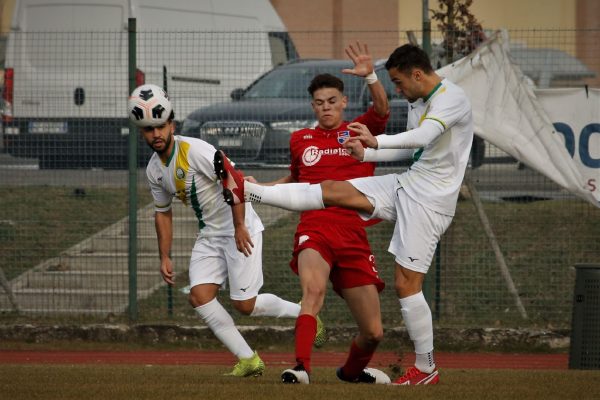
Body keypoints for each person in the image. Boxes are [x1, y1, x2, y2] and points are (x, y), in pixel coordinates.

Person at [215, 43, 474, 385]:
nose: (397, 90)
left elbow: (423, 135)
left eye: (398, 82)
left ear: (416, 74)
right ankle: (248, 190)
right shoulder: (416, 101)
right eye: (319, 102)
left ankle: (426, 369)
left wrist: (375, 141)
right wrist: (367, 154)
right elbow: (415, 150)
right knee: (334, 189)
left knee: (405, 286)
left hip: (429, 200)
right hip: (404, 185)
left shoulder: (451, 99)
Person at [127, 83, 326, 378]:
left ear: (171, 123)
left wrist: (239, 227)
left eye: (160, 126)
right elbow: (162, 213)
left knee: (244, 305)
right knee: (199, 295)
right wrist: (164, 256)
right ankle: (249, 360)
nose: (155, 134)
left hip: (240, 227)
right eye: (148, 129)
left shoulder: (194, 150)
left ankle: (305, 314)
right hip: (210, 234)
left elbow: (233, 179)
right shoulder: (154, 170)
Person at [235, 41, 392, 385]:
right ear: (313, 106)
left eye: (332, 102)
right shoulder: (300, 139)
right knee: (313, 293)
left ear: (344, 102)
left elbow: (381, 108)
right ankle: (300, 368)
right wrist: (258, 189)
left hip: (353, 233)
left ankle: (351, 373)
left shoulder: (359, 131)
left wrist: (371, 77)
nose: (326, 108)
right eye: (319, 103)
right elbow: (295, 179)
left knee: (374, 332)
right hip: (315, 229)